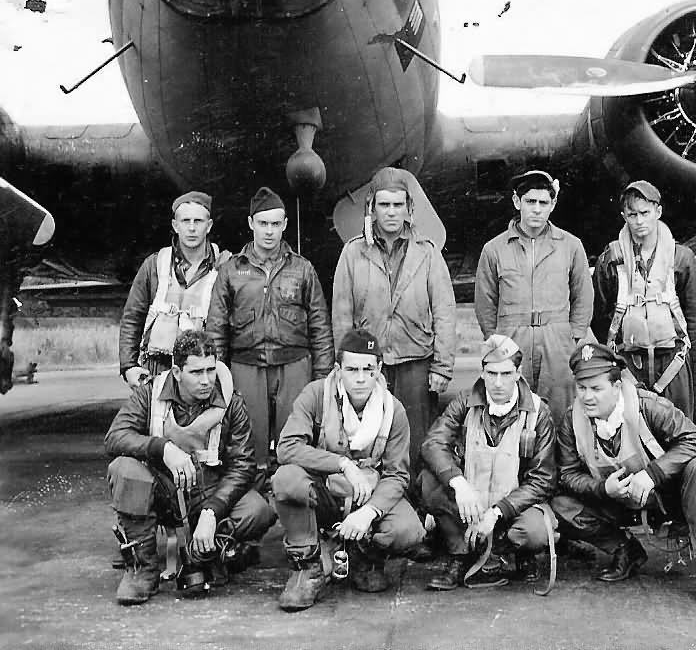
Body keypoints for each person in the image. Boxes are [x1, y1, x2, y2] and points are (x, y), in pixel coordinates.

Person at [104, 330, 276, 606]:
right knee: (124, 469)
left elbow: (243, 465)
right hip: (162, 491)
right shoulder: (150, 393)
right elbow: (115, 437)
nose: (207, 380)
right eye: (197, 372)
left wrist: (213, 511)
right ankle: (142, 568)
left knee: (259, 510)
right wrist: (163, 449)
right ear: (176, 371)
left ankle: (204, 556)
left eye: (211, 369)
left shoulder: (231, 401)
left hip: (207, 494)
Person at [551, 342, 696, 608]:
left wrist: (653, 474)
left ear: (617, 386)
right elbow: (567, 474)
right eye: (581, 388)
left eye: (597, 389)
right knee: (561, 504)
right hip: (618, 501)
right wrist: (602, 489)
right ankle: (626, 549)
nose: (587, 397)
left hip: (668, 498)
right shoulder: (571, 419)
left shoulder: (648, 406)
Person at [272, 329, 425, 612]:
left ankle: (362, 556)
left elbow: (398, 474)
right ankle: (308, 565)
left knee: (409, 531)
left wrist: (369, 513)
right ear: (338, 369)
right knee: (286, 480)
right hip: (324, 491)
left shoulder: (393, 410)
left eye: (368, 369)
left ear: (379, 369)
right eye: (352, 369)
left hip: (366, 494)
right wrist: (342, 464)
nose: (360, 378)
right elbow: (287, 448)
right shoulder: (316, 395)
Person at [332, 167, 456, 483]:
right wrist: (345, 364)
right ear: (371, 208)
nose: (391, 212)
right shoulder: (353, 252)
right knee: (367, 438)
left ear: (409, 209)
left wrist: (442, 367)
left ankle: (417, 507)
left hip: (416, 362)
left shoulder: (426, 253)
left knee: (416, 442)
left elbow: (444, 311)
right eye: (384, 205)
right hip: (368, 365)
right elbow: (342, 313)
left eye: (397, 205)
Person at [206, 186, 333, 475]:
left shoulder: (303, 269)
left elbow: (320, 326)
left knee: (296, 442)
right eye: (263, 223)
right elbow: (216, 327)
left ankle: (293, 498)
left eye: (276, 224)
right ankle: (254, 503)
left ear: (285, 225)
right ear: (251, 223)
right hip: (246, 366)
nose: (269, 231)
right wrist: (216, 375)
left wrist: (323, 379)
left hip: (294, 366)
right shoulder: (231, 271)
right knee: (249, 445)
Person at [419, 334, 556, 591]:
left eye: (506, 374)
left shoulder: (539, 413)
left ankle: (510, 550)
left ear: (518, 373)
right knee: (429, 483)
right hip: (470, 502)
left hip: (512, 506)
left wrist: (497, 512)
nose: (498, 383)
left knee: (534, 531)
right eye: (491, 373)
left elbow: (543, 479)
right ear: (482, 372)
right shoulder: (464, 402)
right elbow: (433, 444)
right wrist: (459, 484)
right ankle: (460, 552)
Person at [475, 169, 593, 425]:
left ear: (553, 204)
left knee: (562, 411)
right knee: (513, 408)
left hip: (557, 340)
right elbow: (485, 301)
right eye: (530, 202)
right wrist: (497, 339)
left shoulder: (571, 245)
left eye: (543, 203)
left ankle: (563, 466)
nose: (537, 209)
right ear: (517, 202)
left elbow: (583, 294)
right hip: (512, 340)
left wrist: (572, 335)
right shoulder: (494, 249)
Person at [590, 181, 696, 421]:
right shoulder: (611, 259)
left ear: (658, 212)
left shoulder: (681, 257)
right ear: (624, 216)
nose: (639, 221)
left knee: (682, 427)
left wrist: (695, 375)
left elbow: (694, 317)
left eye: (645, 213)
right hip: (629, 362)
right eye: (632, 214)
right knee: (631, 428)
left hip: (674, 360)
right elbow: (599, 315)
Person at [119, 191, 229, 386]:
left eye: (198, 221)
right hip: (157, 370)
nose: (192, 228)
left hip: (202, 372)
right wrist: (128, 366)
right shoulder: (155, 265)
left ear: (209, 225)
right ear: (175, 225)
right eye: (185, 221)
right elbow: (133, 317)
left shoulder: (225, 267)